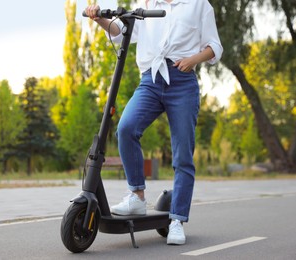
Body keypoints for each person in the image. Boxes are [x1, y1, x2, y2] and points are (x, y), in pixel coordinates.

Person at [85, 0, 223, 245]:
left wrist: (193, 60)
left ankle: (177, 220)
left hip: (182, 80)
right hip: (150, 79)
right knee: (126, 128)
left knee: (182, 156)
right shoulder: (145, 3)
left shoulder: (198, 4)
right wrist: (100, 20)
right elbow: (123, 32)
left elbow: (214, 47)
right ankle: (137, 197)